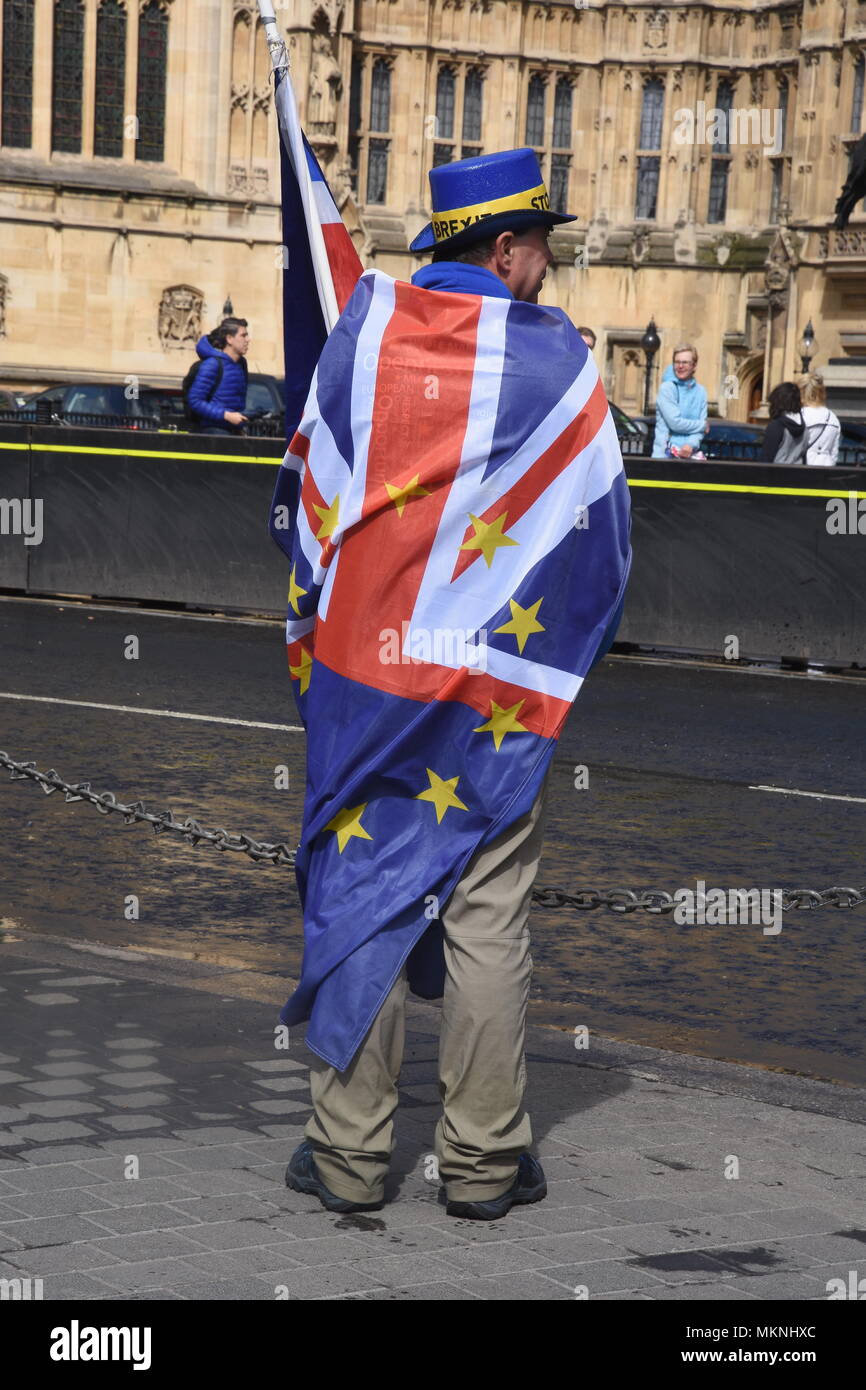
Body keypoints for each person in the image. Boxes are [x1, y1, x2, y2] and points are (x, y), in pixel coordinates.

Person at [270, 148, 631, 1223]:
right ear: (509, 248)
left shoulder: (363, 337)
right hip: (486, 699)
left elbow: (304, 505)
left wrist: (313, 644)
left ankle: (345, 1152)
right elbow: (605, 537)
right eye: (543, 250)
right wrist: (547, 659)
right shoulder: (556, 361)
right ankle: (479, 1164)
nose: (546, 271)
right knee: (485, 916)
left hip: (362, 684)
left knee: (360, 889)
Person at [187, 316, 250, 434]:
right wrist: (226, 415)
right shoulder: (212, 364)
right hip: (214, 432)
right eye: (243, 335)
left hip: (234, 430)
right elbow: (195, 400)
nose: (248, 339)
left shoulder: (241, 364)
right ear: (230, 339)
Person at [652, 343, 708, 458]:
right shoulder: (667, 388)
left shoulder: (701, 391)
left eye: (685, 362)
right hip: (665, 456)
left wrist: (690, 445)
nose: (680, 366)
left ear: (694, 366)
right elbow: (675, 423)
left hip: (690, 455)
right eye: (677, 362)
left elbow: (699, 429)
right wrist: (702, 425)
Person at [797, 372, 841, 467]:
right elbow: (834, 452)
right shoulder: (832, 417)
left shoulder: (800, 415)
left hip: (804, 466)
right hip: (827, 466)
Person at [760, 382, 808, 464]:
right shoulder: (805, 428)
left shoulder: (776, 426)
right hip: (798, 473)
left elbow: (766, 459)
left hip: (777, 474)